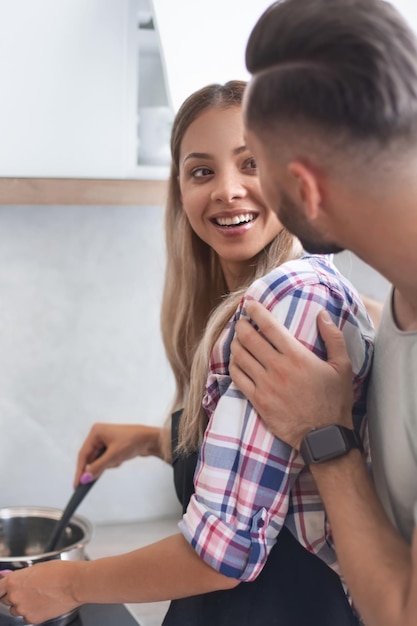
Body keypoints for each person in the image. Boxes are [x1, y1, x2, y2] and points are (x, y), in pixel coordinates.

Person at [0, 80, 373, 626]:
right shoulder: (249, 296)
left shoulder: (287, 297)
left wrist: (69, 583)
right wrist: (154, 441)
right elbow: (277, 469)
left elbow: (224, 553)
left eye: (252, 164)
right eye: (202, 171)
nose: (227, 190)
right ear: (180, 189)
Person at [225, 2, 417, 626]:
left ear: (304, 190)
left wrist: (323, 433)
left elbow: (400, 611)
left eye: (255, 164)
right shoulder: (401, 288)